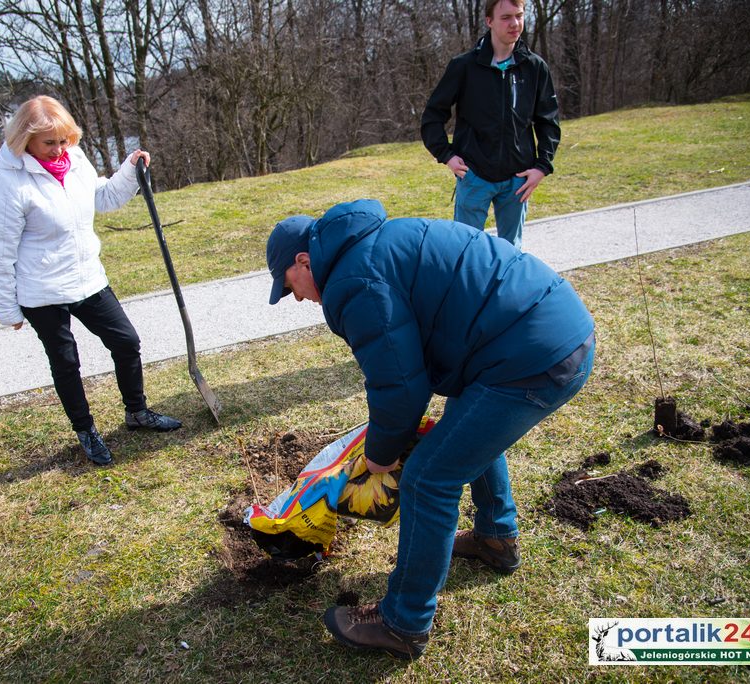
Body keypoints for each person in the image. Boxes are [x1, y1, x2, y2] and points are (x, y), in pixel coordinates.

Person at [265, 198, 594, 659]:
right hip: (550, 330)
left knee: (428, 478)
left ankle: (404, 622)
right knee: (464, 429)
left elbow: (398, 387)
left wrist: (380, 455)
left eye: (290, 285)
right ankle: (495, 537)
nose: (297, 297)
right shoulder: (372, 246)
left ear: (304, 261)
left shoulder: (351, 282)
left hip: (532, 356)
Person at [0, 95, 181, 466]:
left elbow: (102, 198)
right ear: (25, 140)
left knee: (126, 341)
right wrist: (6, 308)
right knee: (66, 362)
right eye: (50, 143)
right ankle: (85, 430)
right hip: (41, 291)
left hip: (87, 277)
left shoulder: (74, 160)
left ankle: (136, 412)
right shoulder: (6, 185)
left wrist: (129, 170)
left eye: (64, 140)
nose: (59, 150)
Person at [421, 0, 560, 249]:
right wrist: (447, 155)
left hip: (518, 178)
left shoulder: (535, 67)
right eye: (506, 17)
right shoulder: (464, 67)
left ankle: (505, 290)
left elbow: (548, 121)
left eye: (519, 15)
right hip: (474, 175)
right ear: (489, 21)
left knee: (510, 257)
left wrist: (542, 166)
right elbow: (432, 116)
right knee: (463, 252)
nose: (514, 23)